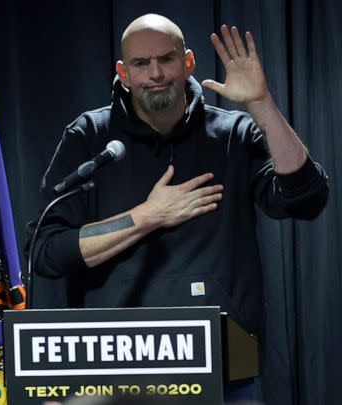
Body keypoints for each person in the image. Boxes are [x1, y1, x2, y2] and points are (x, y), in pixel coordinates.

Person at [29, 14, 329, 402]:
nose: (155, 73)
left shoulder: (234, 135)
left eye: (166, 59)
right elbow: (47, 251)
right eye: (140, 63)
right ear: (123, 73)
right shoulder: (89, 137)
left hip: (223, 372)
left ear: (188, 62)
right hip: (114, 376)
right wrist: (147, 217)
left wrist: (261, 104)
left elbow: (307, 199)